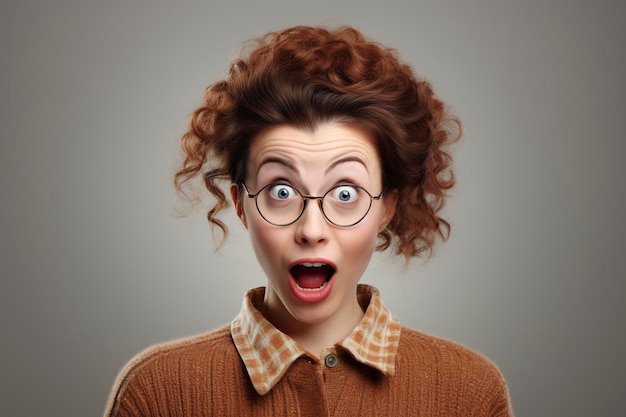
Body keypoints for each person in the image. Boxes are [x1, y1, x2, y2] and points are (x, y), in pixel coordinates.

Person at [103, 25, 514, 416]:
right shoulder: (156, 393)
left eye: (345, 194)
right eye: (281, 192)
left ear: (386, 206)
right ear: (242, 205)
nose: (312, 231)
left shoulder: (469, 392)